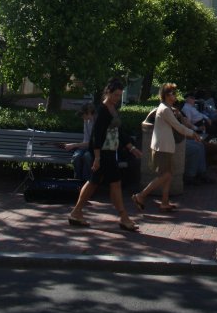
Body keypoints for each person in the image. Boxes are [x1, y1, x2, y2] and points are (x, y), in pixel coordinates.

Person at [68, 78, 142, 232]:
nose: (117, 98)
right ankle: (124, 218)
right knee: (115, 183)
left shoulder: (113, 109)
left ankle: (76, 212)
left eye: (119, 95)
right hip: (103, 153)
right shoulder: (102, 110)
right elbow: (96, 136)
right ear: (107, 92)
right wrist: (97, 158)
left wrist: (131, 147)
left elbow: (118, 132)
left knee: (93, 181)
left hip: (109, 151)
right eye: (115, 95)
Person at [132, 83, 202, 213]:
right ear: (166, 95)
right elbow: (178, 127)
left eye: (175, 93)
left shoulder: (167, 108)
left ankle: (164, 202)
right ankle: (141, 195)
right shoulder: (164, 109)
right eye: (173, 93)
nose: (175, 95)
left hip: (165, 147)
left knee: (167, 175)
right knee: (166, 175)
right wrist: (193, 133)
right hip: (162, 147)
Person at [62, 101, 96, 181]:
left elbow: (93, 143)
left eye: (83, 114)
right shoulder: (86, 121)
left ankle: (86, 181)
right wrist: (76, 147)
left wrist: (74, 145)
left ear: (89, 113)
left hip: (95, 149)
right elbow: (86, 139)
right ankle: (77, 180)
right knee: (76, 157)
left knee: (87, 157)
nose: (81, 116)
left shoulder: (97, 123)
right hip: (87, 146)